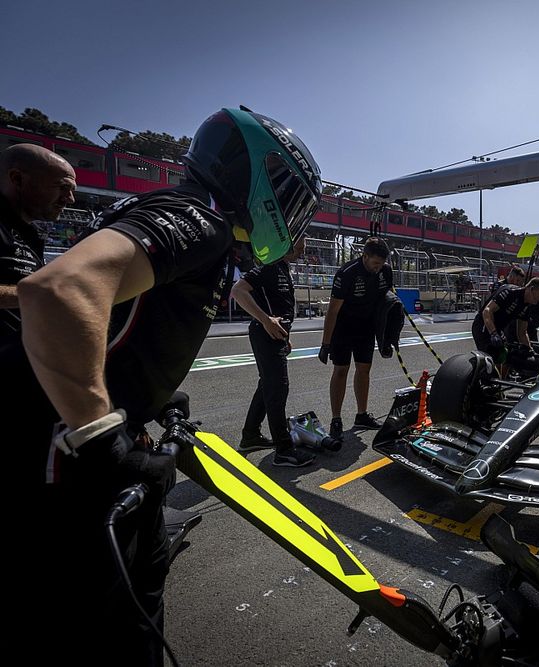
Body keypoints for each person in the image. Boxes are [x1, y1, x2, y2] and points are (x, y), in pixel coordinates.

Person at [4, 107, 322, 665]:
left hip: (67, 438)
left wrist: (151, 395)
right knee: (108, 627)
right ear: (259, 179)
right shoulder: (200, 218)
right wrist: (103, 436)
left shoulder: (178, 213)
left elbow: (117, 320)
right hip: (72, 461)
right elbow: (57, 292)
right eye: (292, 201)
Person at [232, 236, 325, 466]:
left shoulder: (283, 268)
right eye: (299, 248)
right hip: (265, 334)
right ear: (285, 245)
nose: (302, 253)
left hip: (276, 337)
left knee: (267, 385)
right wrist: (265, 320)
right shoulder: (269, 266)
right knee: (277, 389)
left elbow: (280, 305)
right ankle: (283, 450)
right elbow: (238, 291)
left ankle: (250, 436)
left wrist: (287, 337)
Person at [318, 236, 393, 441]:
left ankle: (361, 414)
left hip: (366, 328)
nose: (379, 267)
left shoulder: (385, 272)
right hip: (343, 328)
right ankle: (336, 419)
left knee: (364, 369)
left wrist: (388, 338)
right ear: (365, 256)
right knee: (341, 370)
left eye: (382, 263)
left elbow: (388, 304)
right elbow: (332, 311)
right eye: (375, 263)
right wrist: (325, 343)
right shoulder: (347, 273)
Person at [0, 144, 76, 342]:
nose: (70, 199)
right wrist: (41, 293)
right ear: (17, 179)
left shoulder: (28, 233)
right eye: (63, 187)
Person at [472, 277, 539, 368]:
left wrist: (530, 351)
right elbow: (487, 311)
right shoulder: (509, 292)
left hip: (498, 329)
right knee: (492, 360)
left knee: (506, 358)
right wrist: (493, 333)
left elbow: (522, 333)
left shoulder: (526, 306)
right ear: (531, 289)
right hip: (483, 325)